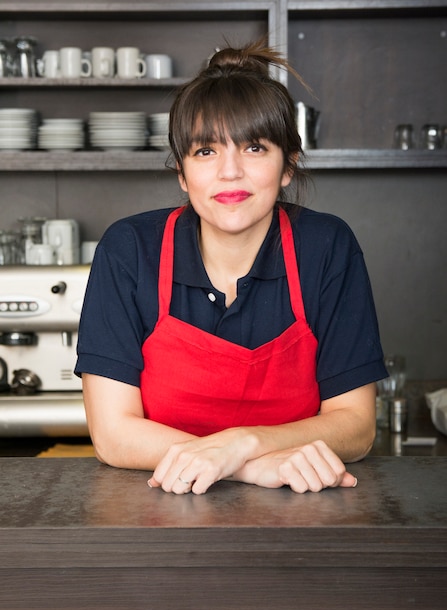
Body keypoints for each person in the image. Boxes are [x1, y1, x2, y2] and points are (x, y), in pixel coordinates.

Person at [75, 40, 387, 495]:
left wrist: (241, 444)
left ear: (287, 166)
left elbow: (356, 428)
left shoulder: (326, 247)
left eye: (255, 148)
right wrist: (248, 466)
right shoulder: (129, 250)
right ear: (182, 173)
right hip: (154, 523)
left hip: (304, 526)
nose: (230, 172)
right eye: (205, 152)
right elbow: (112, 434)